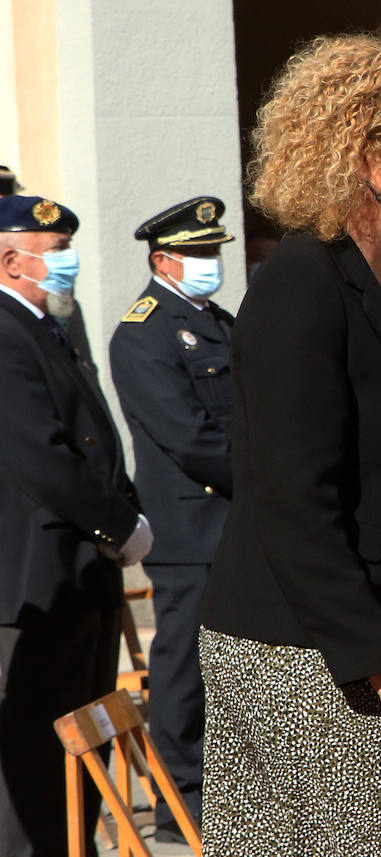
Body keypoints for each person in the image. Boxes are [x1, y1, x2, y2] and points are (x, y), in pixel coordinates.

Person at [197, 35, 381, 857]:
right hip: (295, 651)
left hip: (358, 639)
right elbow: (293, 504)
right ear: (365, 157)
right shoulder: (299, 286)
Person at [0, 194, 153, 857]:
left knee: (81, 744)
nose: (69, 263)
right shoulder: (4, 332)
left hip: (83, 575)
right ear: (10, 259)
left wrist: (124, 512)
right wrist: (123, 527)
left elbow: (96, 438)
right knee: (34, 760)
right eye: (56, 252)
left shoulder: (47, 323)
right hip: (36, 582)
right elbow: (45, 458)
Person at [107, 196, 237, 842]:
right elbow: (190, 437)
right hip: (190, 530)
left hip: (239, 524)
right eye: (199, 254)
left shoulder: (220, 322)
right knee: (184, 670)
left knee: (233, 665)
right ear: (162, 260)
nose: (211, 263)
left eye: (215, 251)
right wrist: (266, 475)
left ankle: (230, 790)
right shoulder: (143, 331)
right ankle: (178, 803)